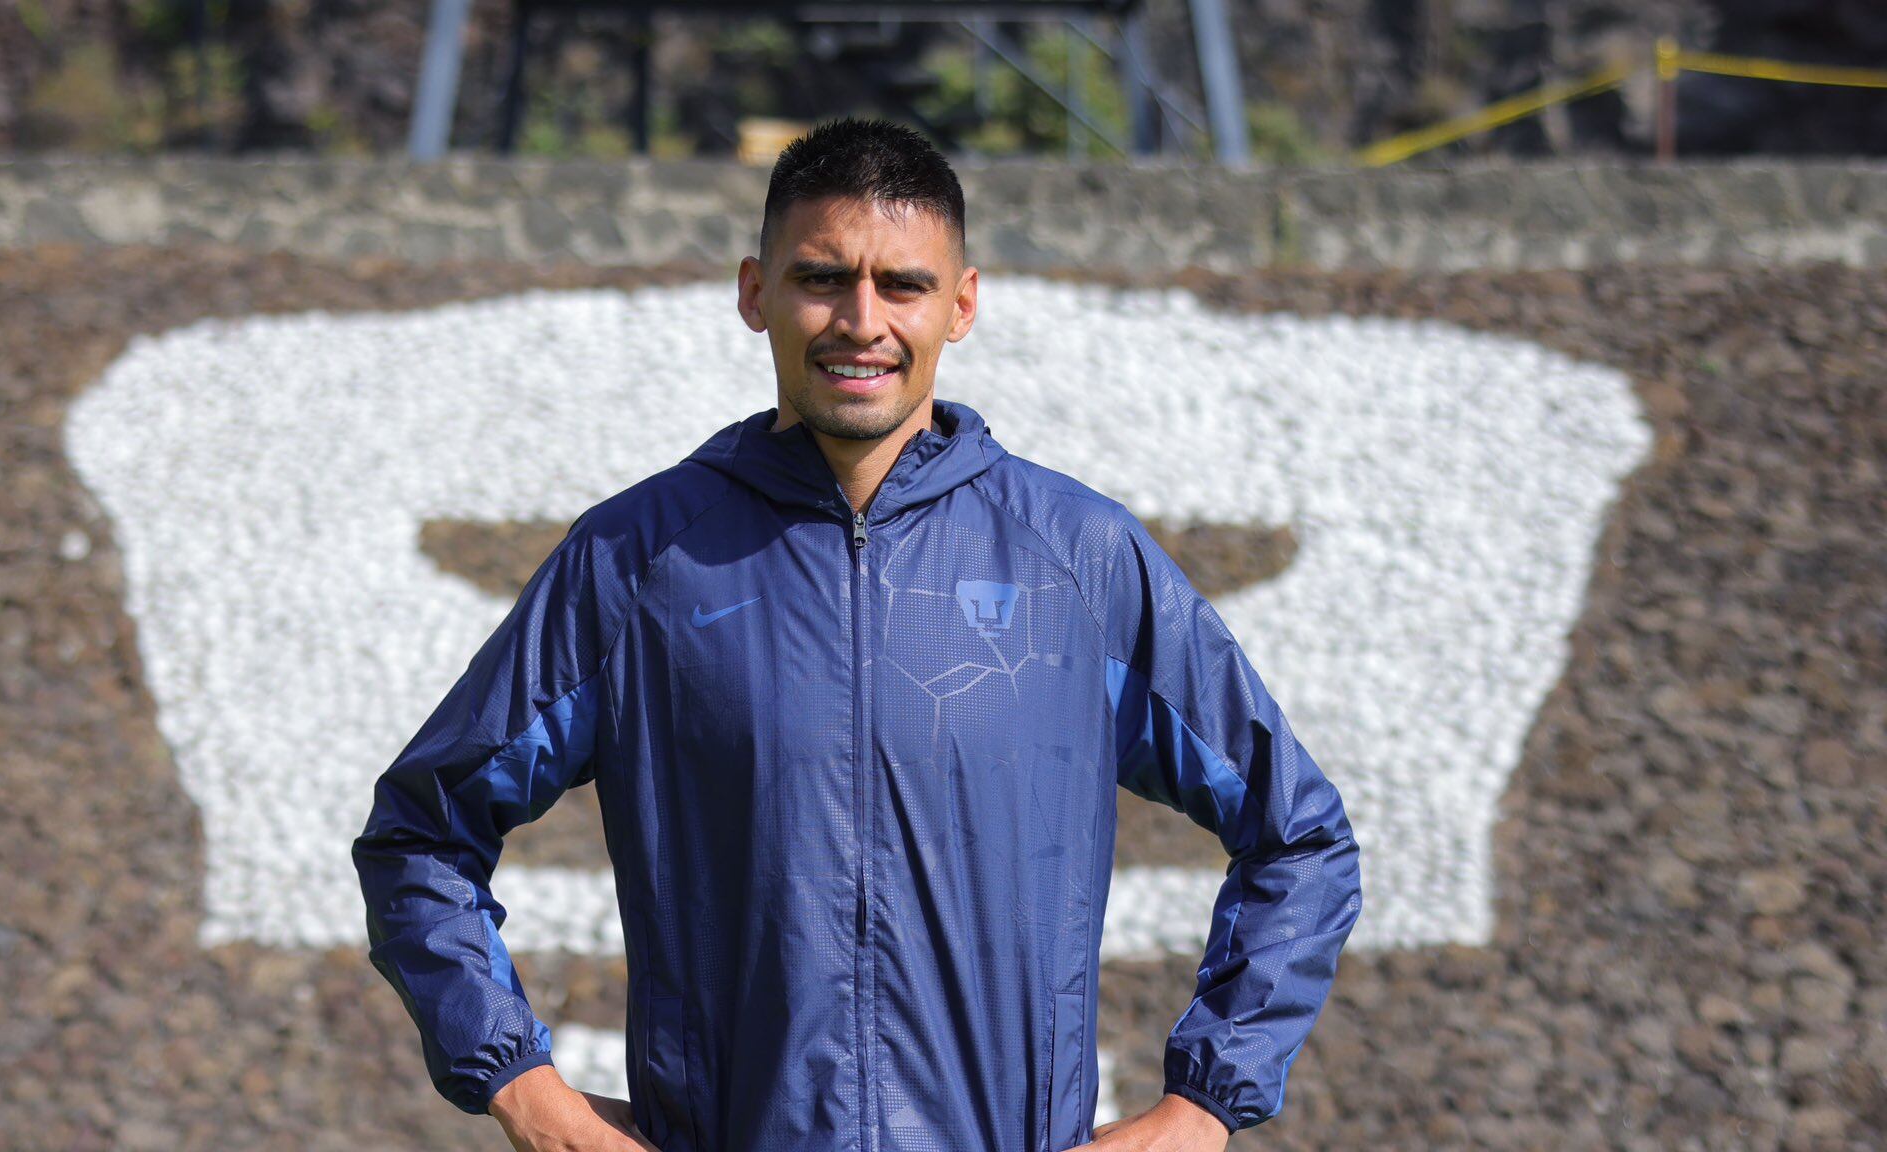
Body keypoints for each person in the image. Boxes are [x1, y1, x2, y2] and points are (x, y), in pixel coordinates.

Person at [351, 115, 1361, 1152]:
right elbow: (420, 836)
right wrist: (528, 1093)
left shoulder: (1078, 561)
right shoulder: (635, 563)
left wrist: (1197, 1112)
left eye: (904, 286)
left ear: (960, 304)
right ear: (756, 293)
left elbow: (1300, 839)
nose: (860, 321)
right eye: (821, 278)